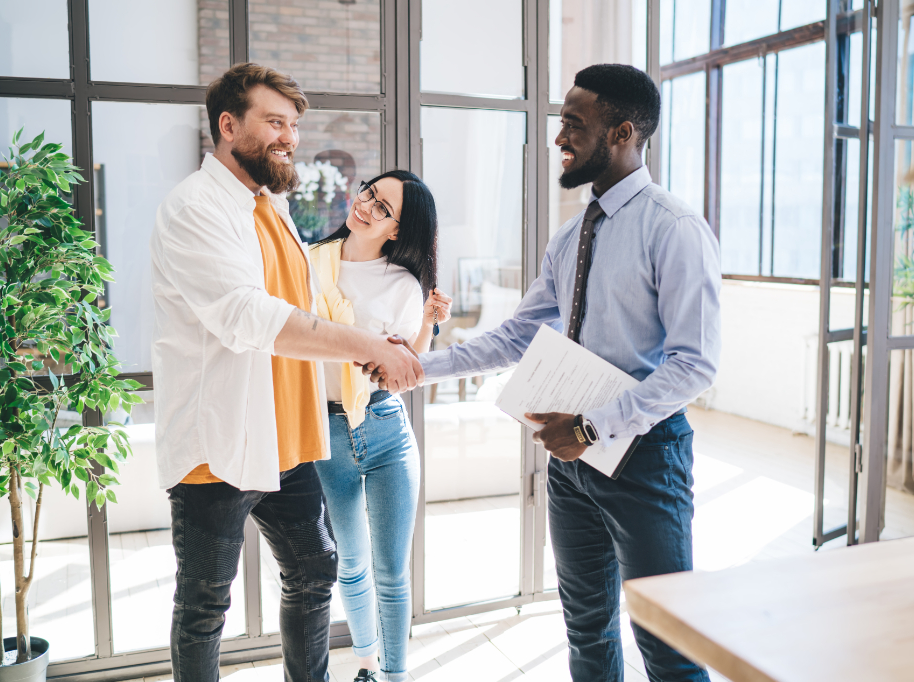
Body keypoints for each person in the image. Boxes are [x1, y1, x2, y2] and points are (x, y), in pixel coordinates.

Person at [370, 63, 720, 682]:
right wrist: (417, 365)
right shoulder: (570, 236)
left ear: (623, 133)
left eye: (574, 124)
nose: (560, 137)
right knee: (586, 630)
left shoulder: (675, 228)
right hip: (573, 469)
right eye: (562, 123)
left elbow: (694, 364)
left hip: (645, 460)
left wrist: (591, 425)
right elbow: (516, 337)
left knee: (668, 646)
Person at [149, 62, 423, 682]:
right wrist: (366, 345)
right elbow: (247, 313)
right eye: (275, 122)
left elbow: (305, 304)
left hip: (285, 440)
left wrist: (381, 338)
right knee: (204, 607)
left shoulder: (269, 204)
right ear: (228, 124)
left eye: (294, 126)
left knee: (314, 569)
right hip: (218, 447)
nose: (290, 138)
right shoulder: (194, 207)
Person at [308, 170, 452, 682]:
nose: (366, 205)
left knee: (391, 572)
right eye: (369, 192)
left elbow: (407, 369)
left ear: (396, 230)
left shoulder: (403, 283)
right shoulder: (309, 264)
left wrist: (427, 328)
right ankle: (366, 660)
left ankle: (395, 675)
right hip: (328, 433)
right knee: (349, 562)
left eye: (383, 207)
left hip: (386, 427)